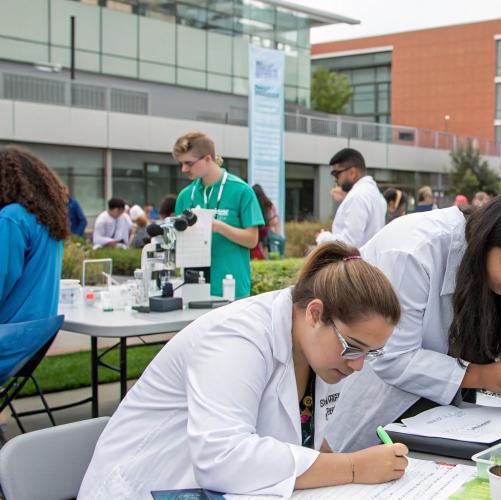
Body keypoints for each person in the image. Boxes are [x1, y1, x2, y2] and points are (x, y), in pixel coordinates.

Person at [79, 242, 408, 497]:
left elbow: (304, 439)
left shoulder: (321, 352)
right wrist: (351, 468)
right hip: (146, 485)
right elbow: (221, 459)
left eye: (371, 352)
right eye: (352, 346)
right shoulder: (237, 337)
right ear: (315, 313)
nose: (359, 364)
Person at [325, 192, 501, 452]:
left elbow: (479, 333)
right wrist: (482, 375)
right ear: (483, 242)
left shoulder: (488, 266)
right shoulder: (412, 252)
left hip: (433, 412)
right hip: (371, 394)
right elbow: (391, 356)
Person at [173, 132, 264, 299]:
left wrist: (217, 226)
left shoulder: (241, 190)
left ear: (207, 158)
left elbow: (252, 240)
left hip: (232, 289)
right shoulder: (185, 196)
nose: (184, 169)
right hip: (193, 289)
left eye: (189, 163)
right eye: (181, 163)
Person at [0, 146, 68, 325]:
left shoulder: (12, 217)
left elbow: (4, 276)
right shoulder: (46, 218)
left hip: (9, 333)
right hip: (37, 331)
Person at [316, 148, 386, 248]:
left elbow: (349, 243)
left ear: (352, 173)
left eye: (336, 174)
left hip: (357, 261)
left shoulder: (357, 196)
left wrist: (323, 237)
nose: (334, 179)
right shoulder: (374, 193)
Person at [251, 184, 274, 260]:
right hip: (264, 232)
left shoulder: (251, 205)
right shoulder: (267, 205)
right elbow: (273, 219)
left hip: (254, 235)